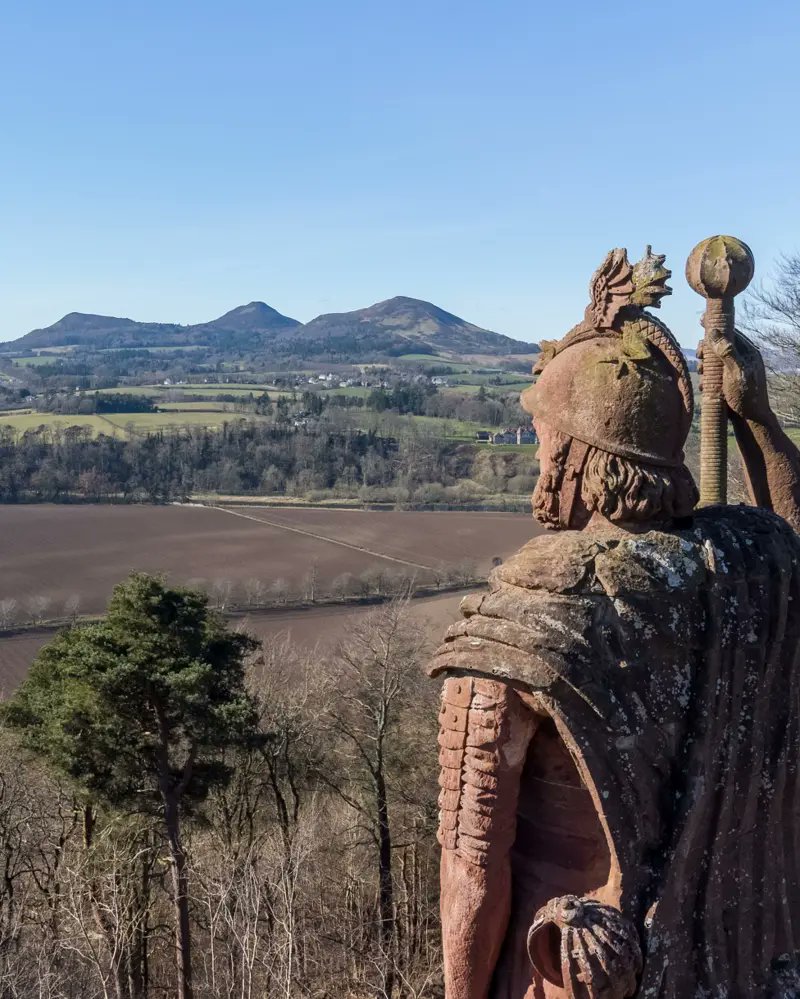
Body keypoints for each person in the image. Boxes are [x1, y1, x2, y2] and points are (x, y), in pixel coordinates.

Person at [430, 248, 800, 998]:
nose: (538, 457)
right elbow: (792, 533)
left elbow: (473, 872)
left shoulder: (518, 624)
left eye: (544, 441)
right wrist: (757, 418)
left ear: (574, 457)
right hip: (733, 969)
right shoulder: (749, 565)